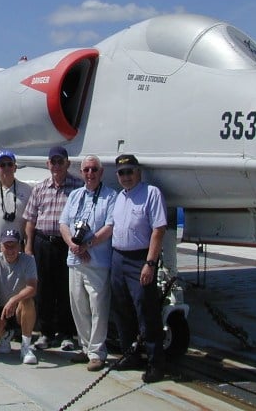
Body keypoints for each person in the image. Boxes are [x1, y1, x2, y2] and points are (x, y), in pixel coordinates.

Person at [110, 154, 168, 383]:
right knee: (122, 308)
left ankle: (156, 363)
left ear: (138, 173)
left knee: (146, 310)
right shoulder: (119, 197)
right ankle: (130, 354)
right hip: (118, 257)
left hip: (139, 259)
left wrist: (150, 263)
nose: (126, 177)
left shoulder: (151, 193)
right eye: (122, 173)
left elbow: (158, 230)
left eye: (130, 172)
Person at [58, 154, 115, 372]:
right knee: (78, 305)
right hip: (74, 260)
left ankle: (97, 352)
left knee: (98, 307)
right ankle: (85, 346)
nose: (90, 173)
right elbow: (63, 223)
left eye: (94, 170)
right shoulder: (75, 195)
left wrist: (87, 245)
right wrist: (73, 245)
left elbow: (109, 226)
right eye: (86, 170)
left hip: (97, 261)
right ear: (81, 173)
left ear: (101, 173)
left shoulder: (110, 196)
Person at [24, 145, 83, 351]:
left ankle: (67, 334)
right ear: (48, 164)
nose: (57, 166)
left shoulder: (78, 187)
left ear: (67, 163)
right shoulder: (40, 188)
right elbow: (30, 220)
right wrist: (29, 246)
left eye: (60, 162)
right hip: (43, 243)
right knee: (44, 290)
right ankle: (46, 333)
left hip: (66, 245)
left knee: (66, 289)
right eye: (53, 162)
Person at [0, 228, 39, 365]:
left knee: (28, 301)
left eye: (14, 246)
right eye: (7, 246)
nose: (11, 250)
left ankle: (25, 346)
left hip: (18, 307)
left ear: (20, 246)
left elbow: (32, 288)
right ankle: (5, 334)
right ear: (0, 246)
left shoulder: (29, 260)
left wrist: (14, 299)